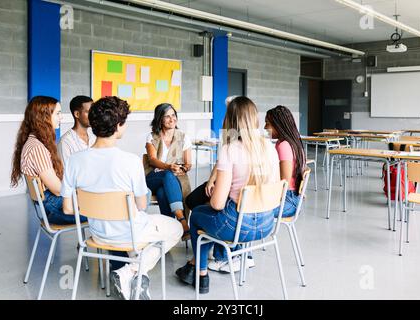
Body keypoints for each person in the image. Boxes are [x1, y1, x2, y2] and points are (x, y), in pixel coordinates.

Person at [61, 96, 183, 300]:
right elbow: (142, 205)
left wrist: (98, 208)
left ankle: (130, 269)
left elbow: (67, 208)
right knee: (176, 228)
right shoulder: (130, 162)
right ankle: (131, 271)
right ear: (118, 126)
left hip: (98, 235)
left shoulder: (74, 161)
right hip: (130, 235)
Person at [175, 96, 280, 294]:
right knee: (207, 213)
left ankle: (201, 274)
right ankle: (194, 267)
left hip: (237, 226)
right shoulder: (269, 147)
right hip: (266, 225)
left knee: (197, 214)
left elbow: (217, 204)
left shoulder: (230, 150)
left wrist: (218, 188)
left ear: (230, 121)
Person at [10, 96, 87, 225]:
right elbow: (57, 189)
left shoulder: (33, 142)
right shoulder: (37, 148)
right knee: (103, 210)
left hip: (48, 206)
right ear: (43, 117)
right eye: (58, 113)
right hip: (54, 209)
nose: (61, 117)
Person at [144, 103, 192, 241]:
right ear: (159, 119)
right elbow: (152, 160)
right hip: (153, 177)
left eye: (173, 115)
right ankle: (182, 221)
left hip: (172, 178)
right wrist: (169, 167)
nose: (172, 119)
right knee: (167, 174)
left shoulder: (183, 137)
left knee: (162, 192)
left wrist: (182, 168)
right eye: (167, 116)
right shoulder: (152, 136)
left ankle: (169, 232)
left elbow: (188, 164)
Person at [264, 105, 306, 217]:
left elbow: (285, 182)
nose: (265, 127)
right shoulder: (292, 143)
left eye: (267, 123)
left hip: (287, 200)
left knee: (252, 209)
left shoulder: (284, 145)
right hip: (291, 198)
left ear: (278, 125)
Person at [57, 95, 95, 166]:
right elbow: (65, 173)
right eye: (89, 112)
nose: (93, 115)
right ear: (77, 114)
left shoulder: (94, 138)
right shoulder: (65, 142)